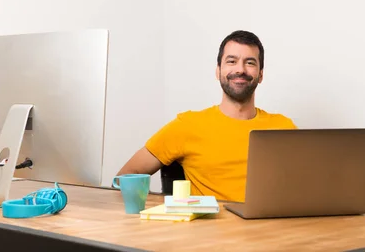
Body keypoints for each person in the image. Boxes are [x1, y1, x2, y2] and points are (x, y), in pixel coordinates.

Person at [116, 30, 296, 202]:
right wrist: (167, 211)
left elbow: (308, 187)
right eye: (231, 61)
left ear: (261, 75)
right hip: (210, 231)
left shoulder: (284, 128)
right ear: (218, 71)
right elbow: (123, 179)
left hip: (271, 231)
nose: (240, 69)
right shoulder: (188, 125)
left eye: (250, 62)